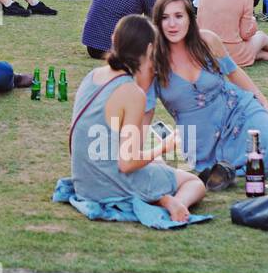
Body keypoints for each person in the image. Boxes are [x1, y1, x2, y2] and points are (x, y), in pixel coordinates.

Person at [148, 0, 268, 183]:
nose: (172, 24)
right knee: (259, 154)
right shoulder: (154, 60)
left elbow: (234, 73)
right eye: (165, 17)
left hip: (238, 109)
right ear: (157, 22)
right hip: (203, 143)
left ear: (189, 18)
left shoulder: (206, 41)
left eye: (178, 16)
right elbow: (145, 109)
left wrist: (263, 102)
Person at [70, 14, 205, 221]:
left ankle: (161, 197)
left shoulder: (92, 77)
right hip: (111, 185)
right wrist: (165, 146)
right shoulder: (132, 93)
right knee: (194, 183)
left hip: (84, 184)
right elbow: (127, 163)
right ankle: (175, 203)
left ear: (114, 40)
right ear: (150, 49)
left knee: (157, 164)